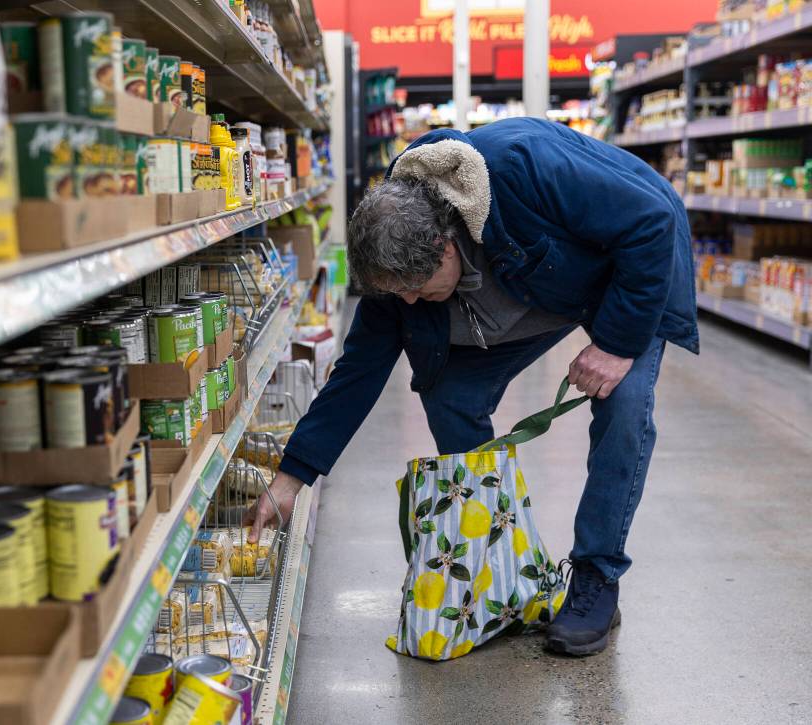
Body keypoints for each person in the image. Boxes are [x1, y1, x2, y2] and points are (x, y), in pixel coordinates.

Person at [244, 117, 698, 656]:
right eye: (399, 295)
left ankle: (596, 578)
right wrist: (292, 479)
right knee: (450, 395)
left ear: (445, 246)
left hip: (627, 269)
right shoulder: (396, 250)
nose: (407, 303)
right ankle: (498, 559)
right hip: (535, 289)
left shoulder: (524, 168)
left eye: (416, 290)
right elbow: (358, 371)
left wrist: (617, 344)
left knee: (622, 405)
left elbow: (649, 223)